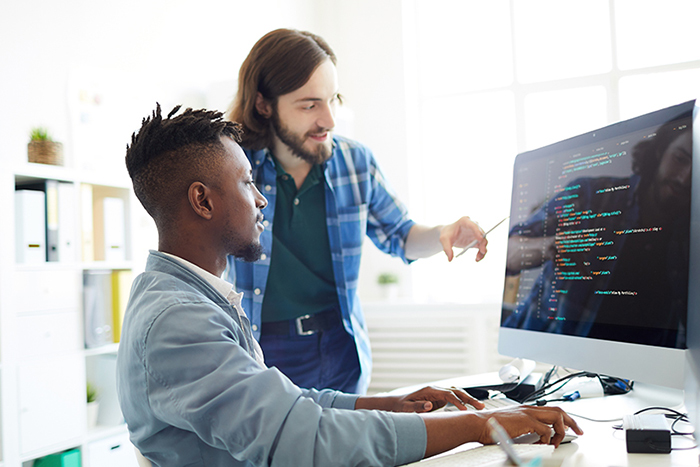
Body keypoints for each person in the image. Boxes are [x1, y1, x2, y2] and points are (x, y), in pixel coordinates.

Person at [116, 104, 582, 466]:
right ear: (202, 200)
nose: (261, 199)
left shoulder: (188, 296)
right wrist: (481, 424)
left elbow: (290, 405)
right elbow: (304, 439)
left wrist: (391, 404)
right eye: (246, 182)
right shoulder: (178, 320)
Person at [226, 28, 489, 394]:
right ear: (264, 104)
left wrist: (443, 232)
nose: (329, 119)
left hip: (339, 349)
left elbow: (401, 235)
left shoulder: (355, 162)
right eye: (309, 105)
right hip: (262, 351)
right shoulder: (233, 167)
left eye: (332, 99)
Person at [502, 113, 692, 348]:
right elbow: (510, 251)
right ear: (660, 151)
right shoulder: (589, 195)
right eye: (680, 159)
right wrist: (549, 247)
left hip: (647, 375)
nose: (685, 178)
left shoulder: (691, 232)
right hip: (547, 356)